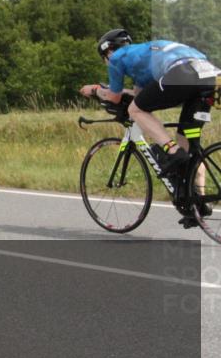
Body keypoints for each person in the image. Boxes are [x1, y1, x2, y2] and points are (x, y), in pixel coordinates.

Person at [80, 29, 218, 218]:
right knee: (189, 143)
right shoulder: (144, 57)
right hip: (209, 75)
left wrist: (95, 89)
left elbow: (114, 97)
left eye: (104, 57)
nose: (106, 62)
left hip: (181, 72)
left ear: (108, 50)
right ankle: (198, 202)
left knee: (134, 110)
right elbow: (139, 96)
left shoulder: (117, 57)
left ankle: (170, 150)